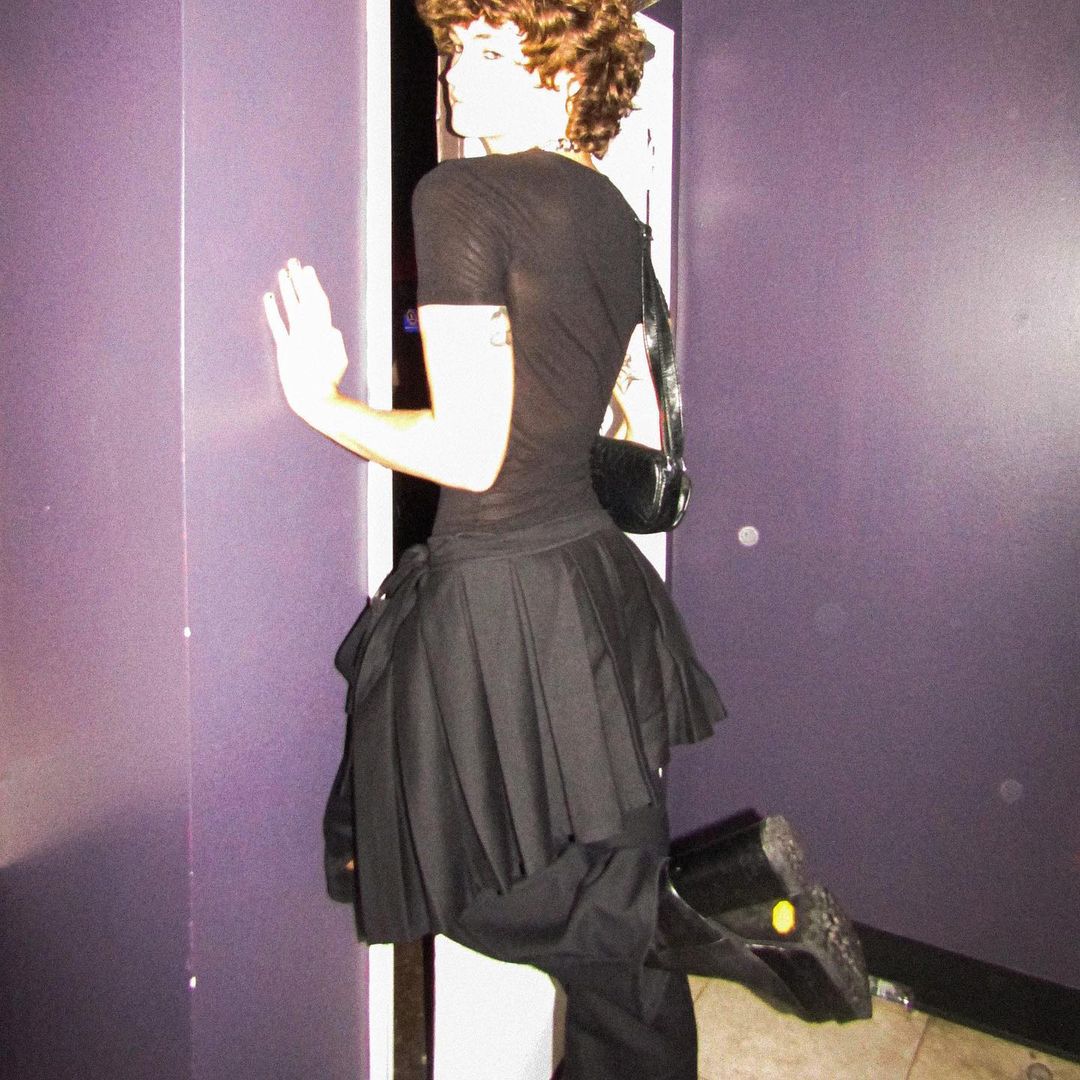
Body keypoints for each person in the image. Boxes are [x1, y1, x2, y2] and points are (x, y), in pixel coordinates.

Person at [264, 2, 869, 1076]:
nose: (460, 74)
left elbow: (468, 452)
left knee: (436, 874)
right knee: (624, 967)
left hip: (498, 589)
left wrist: (324, 403)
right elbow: (621, 412)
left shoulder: (460, 194)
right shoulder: (614, 215)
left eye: (499, 52)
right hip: (593, 585)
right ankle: (678, 912)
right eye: (458, 46)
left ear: (568, 77)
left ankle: (670, 913)